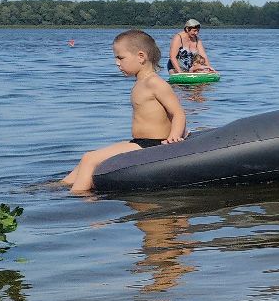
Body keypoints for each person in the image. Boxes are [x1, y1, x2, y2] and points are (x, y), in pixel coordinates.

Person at [60, 30, 187, 194]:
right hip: (139, 141)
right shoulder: (140, 82)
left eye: (120, 58)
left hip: (153, 144)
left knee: (89, 159)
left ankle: (77, 197)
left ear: (141, 56)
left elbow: (178, 113)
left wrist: (174, 137)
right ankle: (56, 187)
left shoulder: (155, 83)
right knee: (88, 157)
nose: (117, 63)